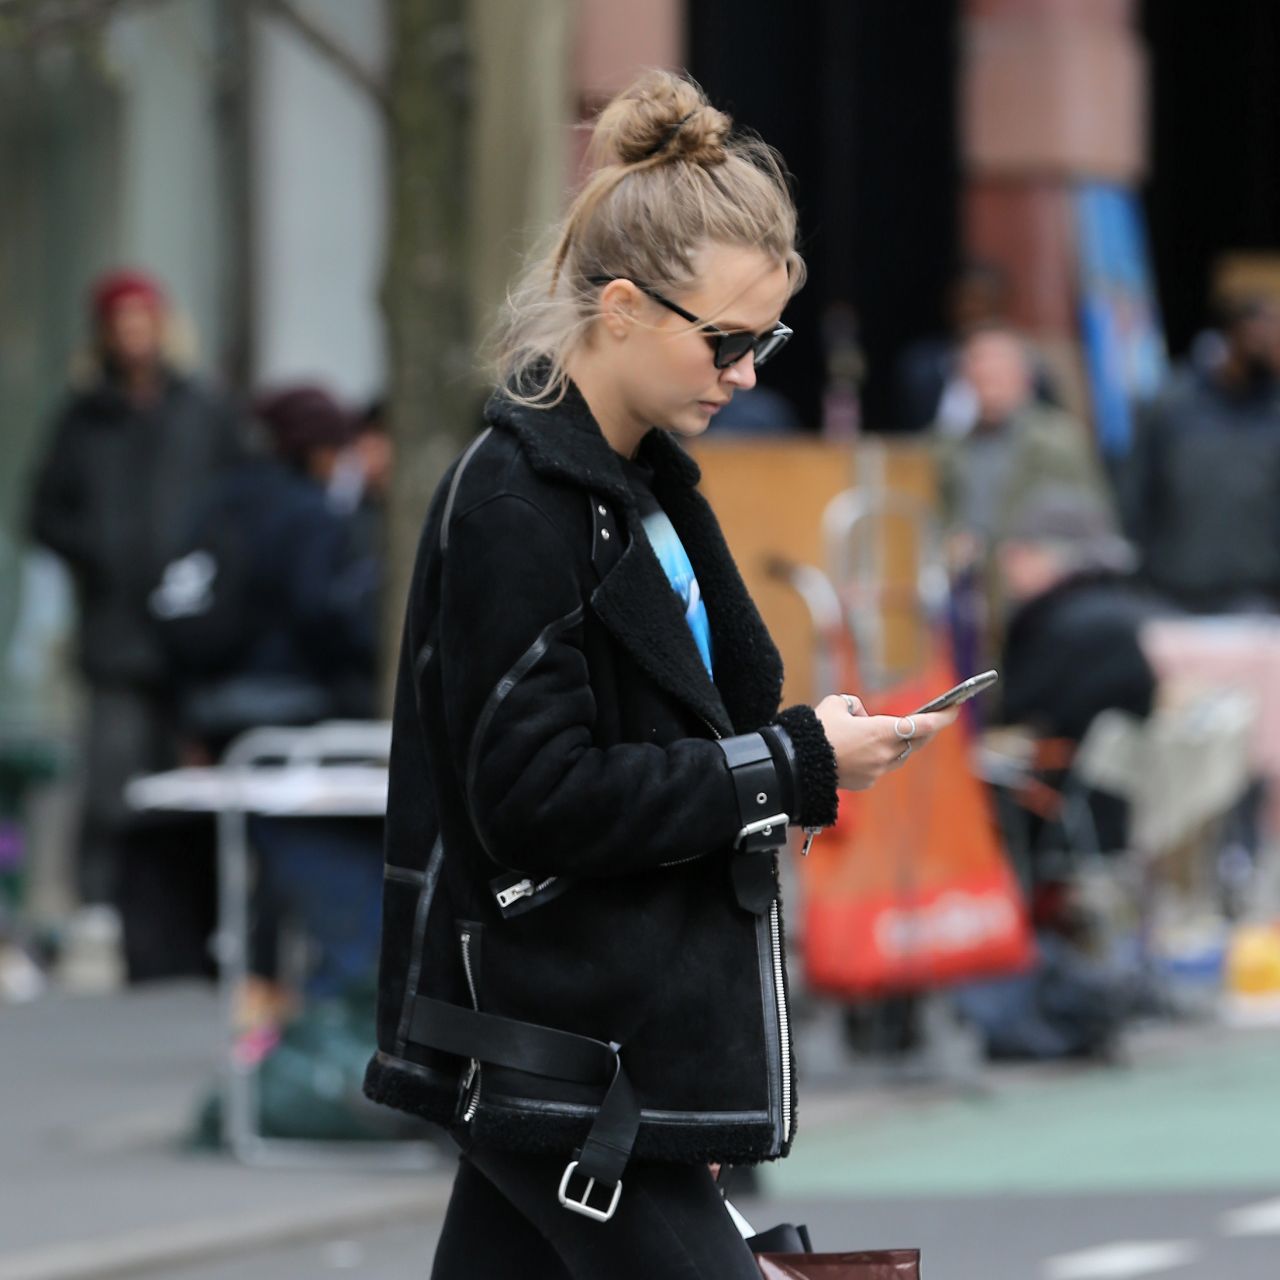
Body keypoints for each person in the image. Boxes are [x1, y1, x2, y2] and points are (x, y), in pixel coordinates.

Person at [363, 71, 957, 1278]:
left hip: (599, 1037)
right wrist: (787, 762)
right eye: (725, 340)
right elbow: (534, 797)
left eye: (765, 340)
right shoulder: (517, 500)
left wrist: (800, 745)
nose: (744, 374)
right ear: (623, 307)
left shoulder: (632, 489)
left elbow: (679, 736)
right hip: (563, 1046)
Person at [28, 269, 242, 977]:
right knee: (113, 771)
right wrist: (100, 556)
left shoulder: (200, 409)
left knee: (193, 772)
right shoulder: (83, 417)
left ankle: (195, 918)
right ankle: (103, 908)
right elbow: (44, 512)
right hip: (116, 630)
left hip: (193, 628)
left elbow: (233, 494)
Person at [1121, 295, 1280, 612]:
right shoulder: (1173, 406)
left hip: (1262, 596)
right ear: (1240, 333)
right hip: (1173, 593)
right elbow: (1134, 493)